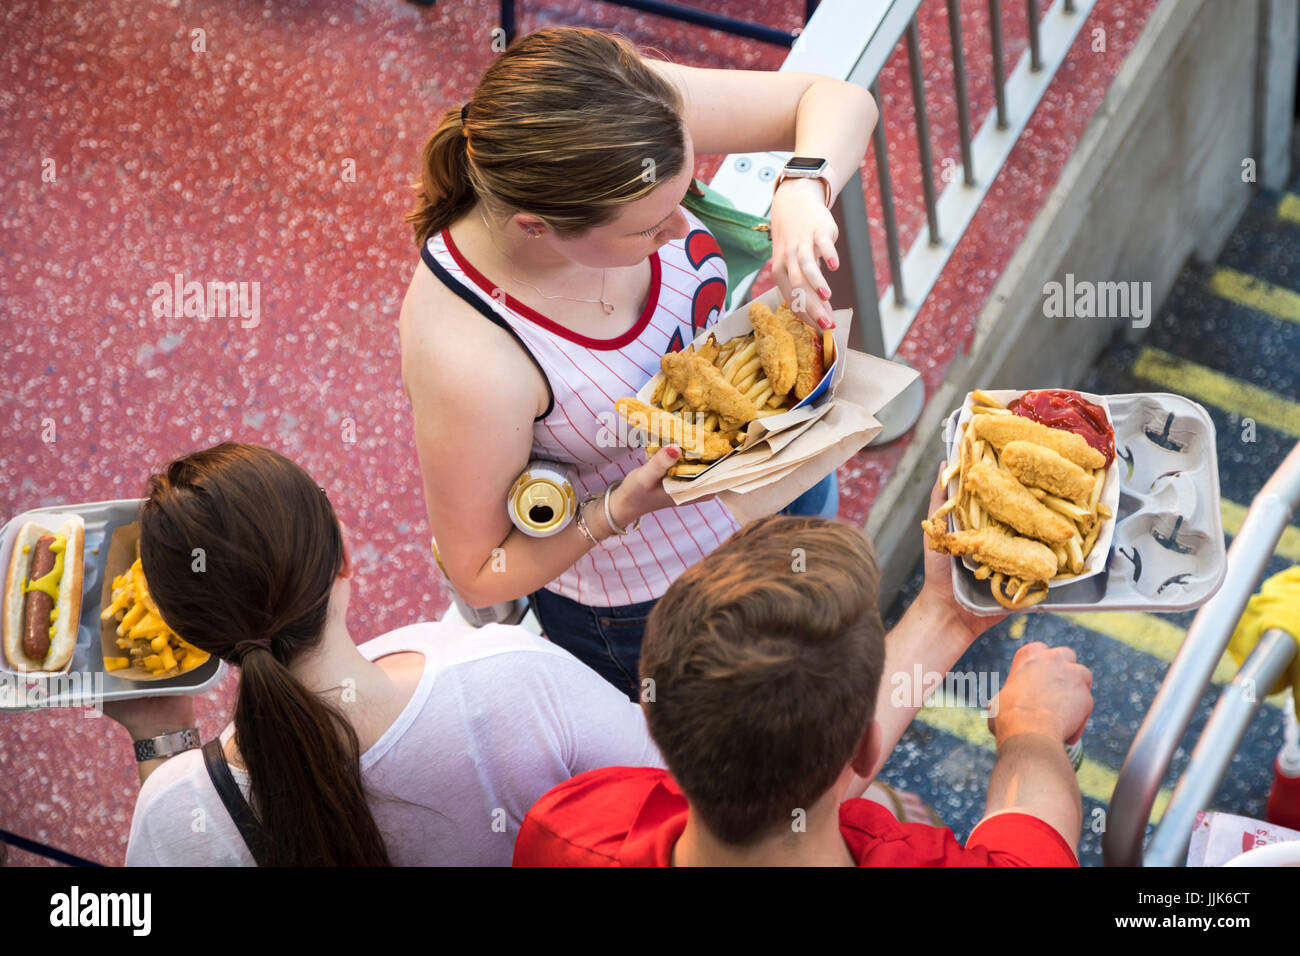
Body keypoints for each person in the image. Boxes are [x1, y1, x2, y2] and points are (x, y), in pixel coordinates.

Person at [399, 27, 878, 698]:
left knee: (824, 671)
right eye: (647, 228)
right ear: (535, 226)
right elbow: (481, 569)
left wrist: (803, 186)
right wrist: (618, 507)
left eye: (684, 195)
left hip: (785, 484)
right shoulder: (466, 352)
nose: (683, 228)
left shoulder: (623, 114)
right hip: (658, 600)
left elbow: (838, 98)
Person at [105, 443, 662, 866]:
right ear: (345, 554)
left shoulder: (173, 809)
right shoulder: (513, 677)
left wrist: (162, 733)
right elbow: (675, 785)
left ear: (190, 634)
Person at [512, 481, 1094, 866]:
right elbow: (1033, 839)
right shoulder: (904, 852)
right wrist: (1034, 730)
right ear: (867, 748)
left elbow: (792, 780)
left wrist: (947, 613)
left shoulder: (571, 825)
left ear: (653, 719)